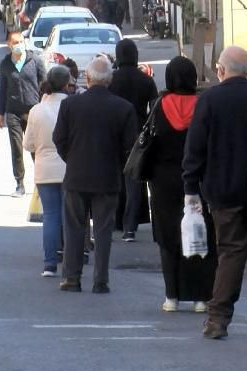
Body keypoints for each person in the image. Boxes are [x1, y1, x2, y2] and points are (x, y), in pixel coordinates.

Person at [182, 46, 247, 340]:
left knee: (230, 251)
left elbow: (195, 146)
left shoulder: (210, 100)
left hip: (222, 189)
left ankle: (218, 319)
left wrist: (191, 187)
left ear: (221, 69)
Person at [53, 57, 137, 293]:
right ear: (109, 80)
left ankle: (72, 278)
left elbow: (59, 139)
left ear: (87, 79)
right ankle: (101, 280)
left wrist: (72, 158)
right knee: (103, 231)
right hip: (108, 177)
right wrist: (116, 165)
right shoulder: (123, 108)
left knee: (74, 229)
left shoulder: (70, 105)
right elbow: (129, 147)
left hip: (77, 175)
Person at [146, 56, 217, 313]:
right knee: (200, 233)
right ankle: (200, 297)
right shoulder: (203, 105)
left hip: (163, 179)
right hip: (198, 178)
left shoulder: (157, 105)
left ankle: (171, 297)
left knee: (168, 237)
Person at [109, 39, 158, 242]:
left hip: (113, 134)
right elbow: (154, 109)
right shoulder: (146, 80)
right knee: (134, 183)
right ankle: (130, 228)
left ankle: (114, 221)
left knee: (114, 181)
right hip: (138, 135)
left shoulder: (111, 79)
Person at [23, 66, 70, 277]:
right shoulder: (71, 106)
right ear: (67, 83)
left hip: (44, 168)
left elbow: (28, 144)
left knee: (50, 215)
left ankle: (49, 263)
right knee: (70, 215)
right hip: (70, 167)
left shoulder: (36, 110)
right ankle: (71, 259)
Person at [0, 31, 46, 197]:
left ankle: (41, 183)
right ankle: (19, 183)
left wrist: (45, 107)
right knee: (17, 148)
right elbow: (2, 89)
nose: (18, 44)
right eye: (15, 42)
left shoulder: (36, 61)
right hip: (13, 112)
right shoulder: (5, 64)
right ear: (9, 45)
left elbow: (44, 86)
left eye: (21, 41)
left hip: (33, 111)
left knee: (36, 149)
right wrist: (0, 113)